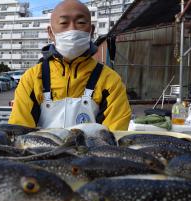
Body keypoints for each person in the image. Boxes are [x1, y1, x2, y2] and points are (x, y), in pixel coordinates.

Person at [8, 0, 131, 131]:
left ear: (92, 30)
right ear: (50, 33)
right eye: (63, 23)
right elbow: (19, 131)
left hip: (93, 151)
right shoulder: (32, 79)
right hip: (42, 150)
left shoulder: (110, 80)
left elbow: (114, 135)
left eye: (81, 23)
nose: (72, 29)